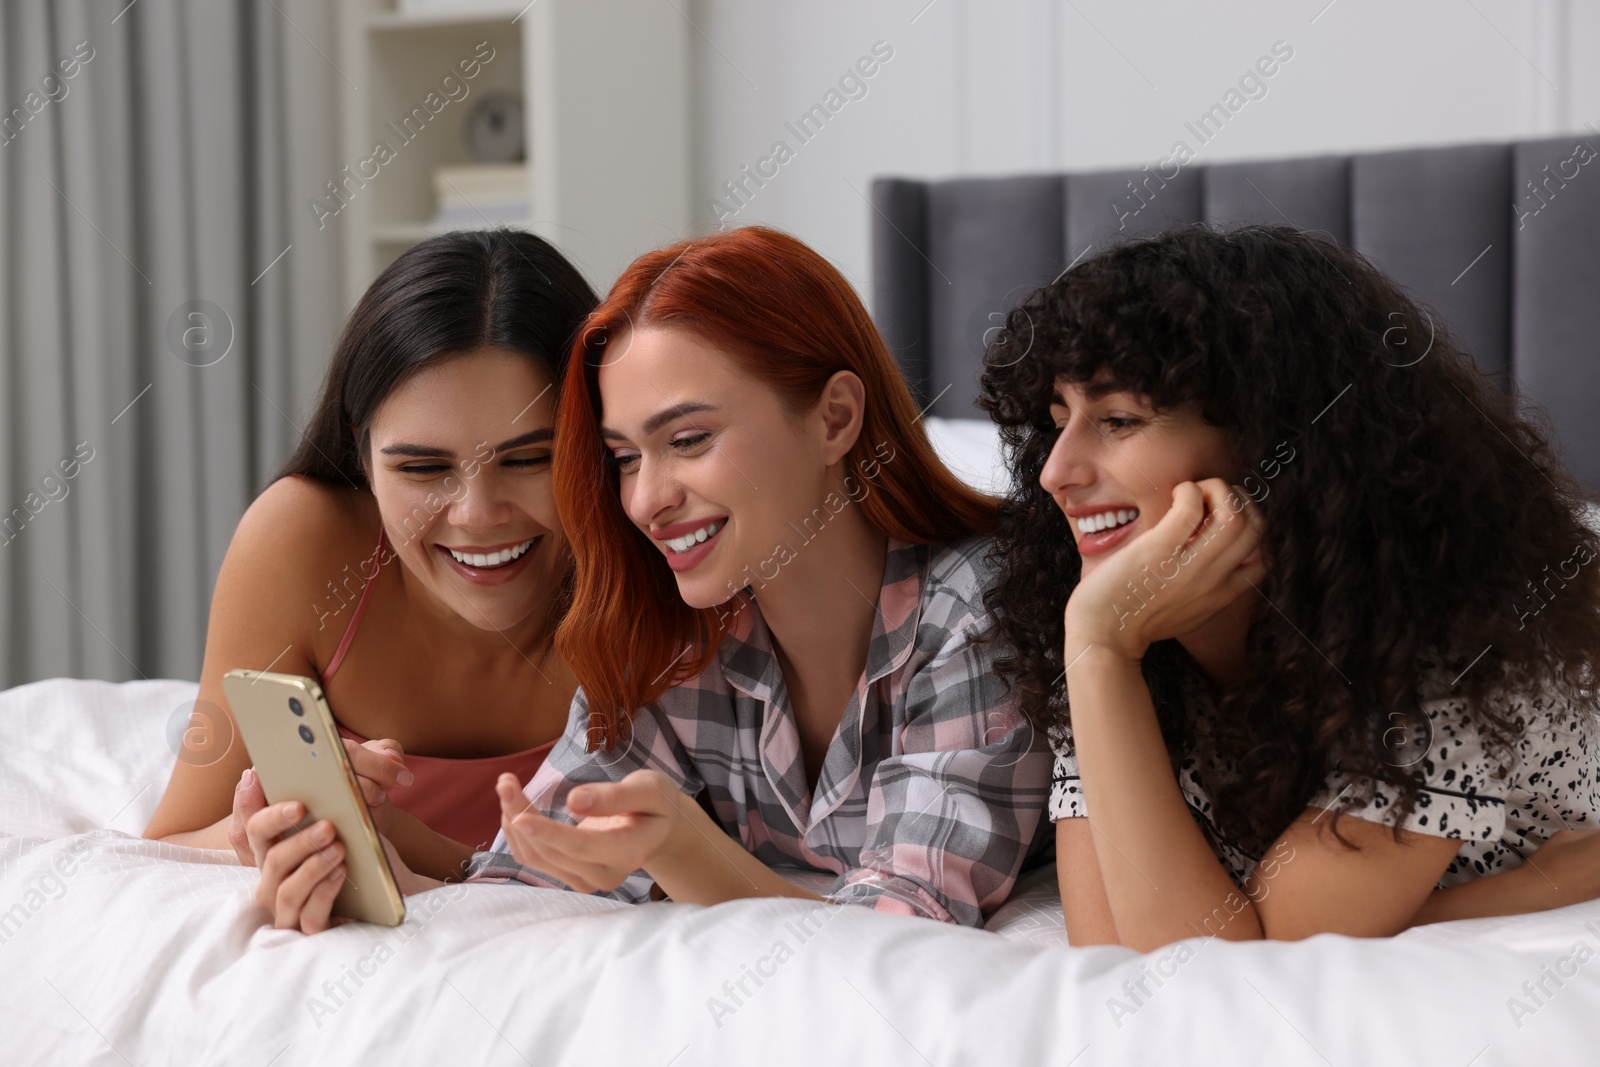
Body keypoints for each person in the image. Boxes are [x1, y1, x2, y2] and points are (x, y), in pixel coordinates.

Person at [389, 226, 1051, 927]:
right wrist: (390, 868)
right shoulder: (674, 629)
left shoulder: (978, 611)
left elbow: (903, 930)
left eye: (687, 441)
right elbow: (537, 877)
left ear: (835, 418)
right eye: (625, 458)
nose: (647, 501)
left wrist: (687, 850)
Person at [976, 223, 1600, 951]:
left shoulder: (1452, 644)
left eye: (1118, 420)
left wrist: (1101, 649)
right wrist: (1099, 648)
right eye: (1058, 424)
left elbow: (1218, 968)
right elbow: (1113, 944)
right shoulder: (1101, 613)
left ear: (1278, 448)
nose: (1056, 473)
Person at [143, 230, 598, 932]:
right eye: (421, 468)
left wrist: (410, 844)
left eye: (530, 458)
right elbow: (173, 842)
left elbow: (693, 856)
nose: (478, 515)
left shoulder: (650, 561)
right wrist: (268, 834)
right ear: (361, 448)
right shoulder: (301, 541)